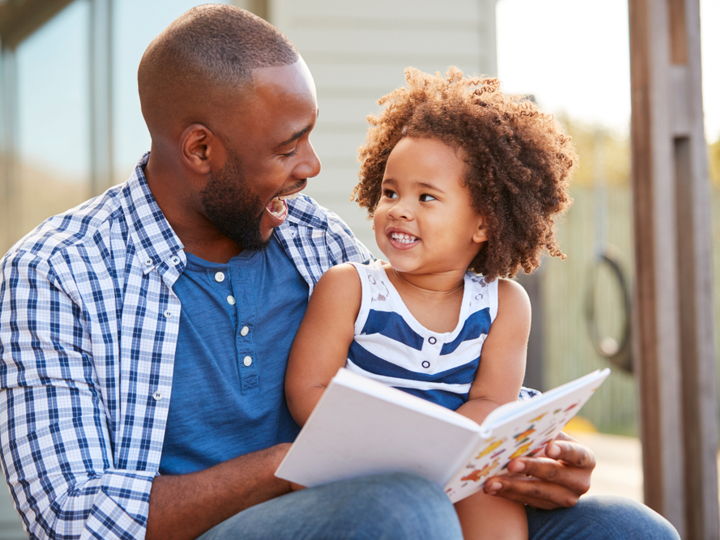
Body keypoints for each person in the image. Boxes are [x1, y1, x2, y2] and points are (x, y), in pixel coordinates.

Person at [0, 5, 679, 540]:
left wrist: (527, 451)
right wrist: (293, 465)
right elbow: (73, 520)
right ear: (201, 149)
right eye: (288, 146)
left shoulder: (313, 239)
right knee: (403, 514)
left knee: (630, 529)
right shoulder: (56, 274)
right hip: (258, 525)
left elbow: (423, 359)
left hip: (380, 506)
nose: (313, 168)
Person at [284, 67, 576, 540]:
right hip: (358, 462)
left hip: (455, 459)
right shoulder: (350, 288)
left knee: (491, 496)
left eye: (426, 197)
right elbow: (308, 390)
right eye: (391, 191)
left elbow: (490, 402)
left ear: (483, 223)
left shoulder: (503, 305)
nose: (400, 208)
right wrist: (393, 447)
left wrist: (438, 449)